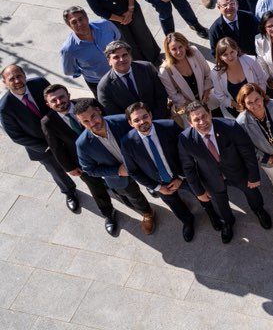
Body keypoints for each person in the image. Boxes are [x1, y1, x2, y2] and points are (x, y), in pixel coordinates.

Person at [121, 102, 218, 242]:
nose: (142, 121)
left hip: (183, 176)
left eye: (145, 116)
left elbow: (188, 152)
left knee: (201, 194)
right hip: (159, 183)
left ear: (151, 115)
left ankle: (212, 214)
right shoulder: (127, 142)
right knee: (175, 205)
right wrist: (158, 187)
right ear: (130, 123)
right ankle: (187, 222)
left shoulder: (169, 127)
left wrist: (180, 177)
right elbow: (133, 171)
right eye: (136, 120)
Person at [179, 102, 273, 244]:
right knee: (220, 204)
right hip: (211, 178)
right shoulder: (185, 139)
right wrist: (198, 192)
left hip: (238, 172)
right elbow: (188, 167)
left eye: (204, 116)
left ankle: (259, 210)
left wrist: (253, 176)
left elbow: (248, 153)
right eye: (196, 120)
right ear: (190, 123)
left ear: (210, 113)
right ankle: (228, 223)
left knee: (252, 192)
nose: (202, 121)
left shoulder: (230, 126)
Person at [74, 98, 157, 235]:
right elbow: (89, 169)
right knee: (134, 197)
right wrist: (117, 171)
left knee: (155, 182)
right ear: (80, 123)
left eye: (93, 116)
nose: (92, 123)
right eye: (86, 121)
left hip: (142, 165)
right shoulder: (82, 144)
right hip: (118, 177)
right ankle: (147, 213)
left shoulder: (123, 121)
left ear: (99, 110)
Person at [1, 66, 78, 210]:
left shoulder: (40, 83)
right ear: (5, 82)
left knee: (81, 159)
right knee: (57, 171)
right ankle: (69, 192)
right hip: (42, 147)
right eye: (12, 79)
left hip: (64, 134)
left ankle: (98, 181)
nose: (17, 80)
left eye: (19, 75)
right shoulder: (5, 107)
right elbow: (16, 136)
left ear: (24, 75)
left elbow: (57, 102)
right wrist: (47, 146)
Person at [40, 85, 114, 225]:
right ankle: (108, 213)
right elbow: (56, 148)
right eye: (53, 100)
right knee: (96, 188)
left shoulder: (89, 103)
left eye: (61, 97)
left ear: (68, 95)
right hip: (82, 161)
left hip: (108, 149)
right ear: (48, 104)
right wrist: (69, 167)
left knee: (122, 175)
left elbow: (109, 121)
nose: (59, 102)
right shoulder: (48, 122)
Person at [97, 40, 168, 119]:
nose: (121, 59)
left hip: (160, 118)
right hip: (133, 128)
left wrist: (156, 119)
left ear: (130, 56)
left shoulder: (147, 68)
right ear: (109, 61)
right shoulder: (104, 86)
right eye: (116, 57)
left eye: (124, 55)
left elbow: (161, 95)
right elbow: (114, 115)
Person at [60, 5, 120, 94]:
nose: (79, 24)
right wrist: (89, 71)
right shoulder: (68, 49)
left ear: (87, 18)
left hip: (123, 72)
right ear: (70, 26)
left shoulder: (105, 25)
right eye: (74, 22)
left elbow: (117, 37)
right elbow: (69, 70)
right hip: (100, 84)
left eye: (81, 19)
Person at [158, 32, 216, 123]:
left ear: (185, 45)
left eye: (180, 47)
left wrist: (204, 97)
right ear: (168, 51)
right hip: (189, 109)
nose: (178, 51)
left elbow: (208, 74)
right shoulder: (165, 71)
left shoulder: (195, 52)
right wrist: (194, 105)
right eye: (174, 49)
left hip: (208, 100)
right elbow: (173, 95)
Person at [209, 37, 269, 118]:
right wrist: (239, 106)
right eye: (225, 55)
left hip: (259, 103)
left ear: (237, 50)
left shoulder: (251, 60)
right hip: (238, 110)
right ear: (220, 57)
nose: (230, 57)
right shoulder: (216, 73)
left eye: (232, 52)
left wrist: (259, 99)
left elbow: (262, 80)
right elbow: (220, 96)